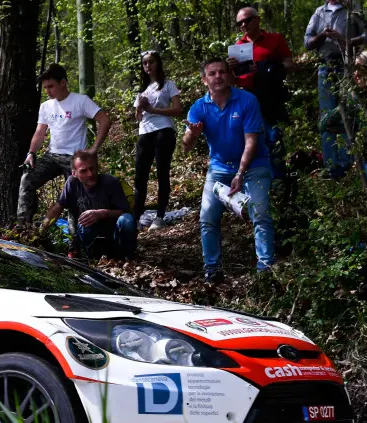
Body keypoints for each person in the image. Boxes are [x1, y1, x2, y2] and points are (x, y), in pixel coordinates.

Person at [183, 59, 275, 282]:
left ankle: (266, 269)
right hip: (219, 168)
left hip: (253, 165)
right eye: (212, 74)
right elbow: (186, 145)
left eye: (222, 72)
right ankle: (212, 269)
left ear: (230, 76)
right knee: (207, 217)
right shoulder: (198, 107)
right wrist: (193, 134)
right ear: (204, 80)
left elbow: (251, 141)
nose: (218, 77)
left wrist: (240, 173)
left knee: (260, 212)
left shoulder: (247, 100)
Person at [17, 64, 112, 224]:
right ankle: (24, 227)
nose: (48, 91)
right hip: (52, 156)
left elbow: (105, 120)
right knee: (27, 179)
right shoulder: (46, 106)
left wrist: (94, 148)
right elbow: (40, 132)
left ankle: (75, 241)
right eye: (45, 87)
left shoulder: (80, 101)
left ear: (63, 83)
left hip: (75, 158)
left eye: (51, 86)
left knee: (75, 197)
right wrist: (31, 153)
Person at [305, 0, 367, 178]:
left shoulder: (353, 11)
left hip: (348, 66)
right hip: (325, 67)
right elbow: (307, 42)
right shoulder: (319, 13)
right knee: (327, 116)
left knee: (348, 112)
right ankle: (332, 165)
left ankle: (349, 162)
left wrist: (347, 41)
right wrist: (322, 35)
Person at [227, 7, 295, 182]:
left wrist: (270, 66)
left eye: (247, 20)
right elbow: (233, 81)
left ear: (257, 20)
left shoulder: (275, 39)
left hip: (271, 96)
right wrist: (230, 70)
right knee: (252, 140)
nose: (243, 25)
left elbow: (291, 65)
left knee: (274, 137)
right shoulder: (238, 47)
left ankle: (279, 179)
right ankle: (259, 179)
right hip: (247, 98)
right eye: (239, 23)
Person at [42, 150, 136, 259]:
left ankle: (127, 257)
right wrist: (41, 230)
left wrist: (102, 213)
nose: (90, 174)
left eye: (92, 169)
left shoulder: (111, 182)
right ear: (74, 173)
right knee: (84, 222)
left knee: (127, 220)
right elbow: (58, 207)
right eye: (83, 171)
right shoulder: (72, 183)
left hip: (113, 234)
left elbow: (125, 212)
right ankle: (92, 257)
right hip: (90, 236)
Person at [133, 51, 182, 231]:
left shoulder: (169, 85)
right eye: (145, 63)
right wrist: (139, 107)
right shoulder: (141, 90)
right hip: (144, 133)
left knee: (162, 173)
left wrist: (154, 110)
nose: (148, 66)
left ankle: (159, 216)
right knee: (140, 176)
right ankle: (135, 217)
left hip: (163, 131)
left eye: (151, 62)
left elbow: (177, 109)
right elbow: (138, 117)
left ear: (158, 63)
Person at [320, 50, 367, 194]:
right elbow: (325, 124)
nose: (356, 75)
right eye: (354, 70)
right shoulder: (354, 101)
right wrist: (352, 127)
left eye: (361, 69)